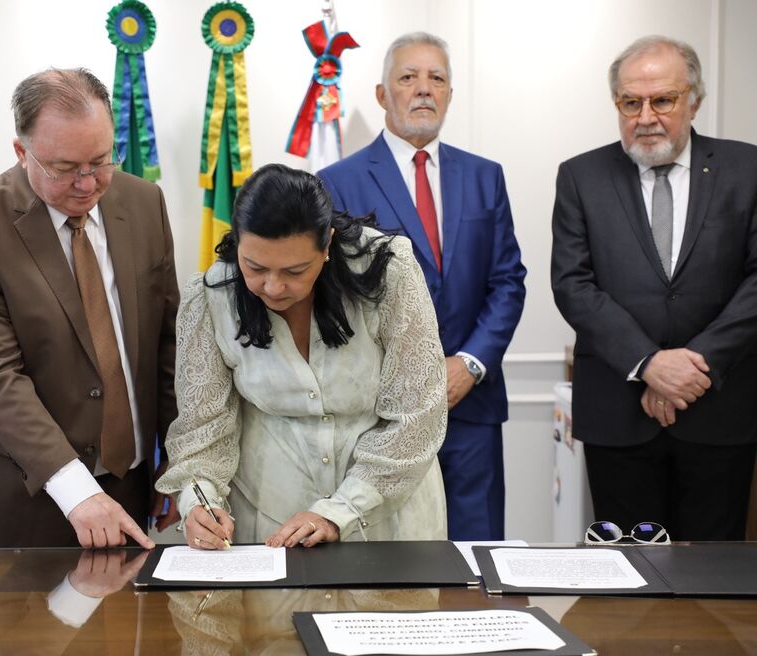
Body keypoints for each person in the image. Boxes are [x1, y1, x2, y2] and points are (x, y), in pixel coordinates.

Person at [0, 68, 179, 548]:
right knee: (32, 626)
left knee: (124, 623)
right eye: (65, 168)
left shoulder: (143, 201)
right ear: (22, 152)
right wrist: (75, 489)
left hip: (130, 483)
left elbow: (169, 340)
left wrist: (178, 452)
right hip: (26, 497)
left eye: (101, 161)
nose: (88, 184)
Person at [155, 163, 447, 549]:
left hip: (386, 518)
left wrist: (341, 510)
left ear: (327, 244)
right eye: (254, 267)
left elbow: (417, 416)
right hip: (270, 520)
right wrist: (199, 501)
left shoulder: (388, 271)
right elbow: (202, 432)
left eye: (295, 270)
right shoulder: (213, 297)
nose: (273, 287)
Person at [317, 32, 526, 541]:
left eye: (437, 78)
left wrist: (470, 364)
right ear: (382, 93)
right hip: (380, 412)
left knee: (477, 556)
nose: (423, 89)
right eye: (408, 77)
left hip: (470, 405)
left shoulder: (485, 177)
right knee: (391, 556)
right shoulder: (337, 181)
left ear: (451, 94)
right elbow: (333, 293)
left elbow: (507, 281)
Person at [551, 35, 757, 541]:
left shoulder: (747, 169)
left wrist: (692, 366)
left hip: (718, 409)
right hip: (619, 416)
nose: (645, 116)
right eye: (630, 102)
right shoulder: (581, 176)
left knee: (713, 578)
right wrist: (649, 364)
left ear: (694, 101)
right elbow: (573, 284)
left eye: (662, 100)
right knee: (626, 578)